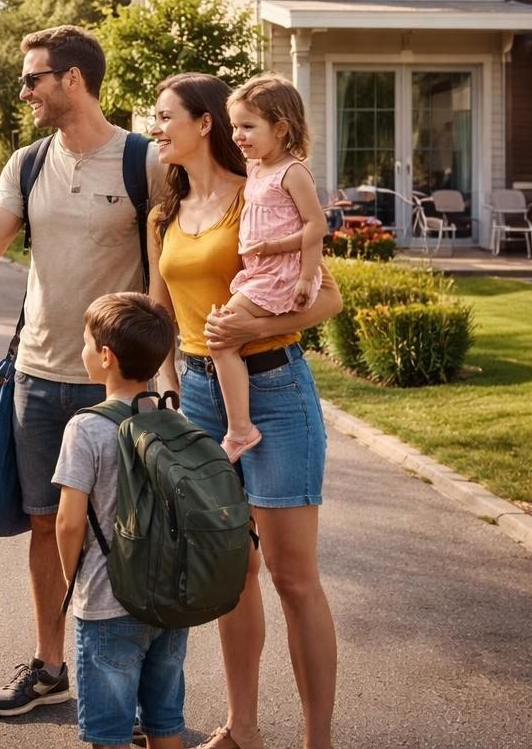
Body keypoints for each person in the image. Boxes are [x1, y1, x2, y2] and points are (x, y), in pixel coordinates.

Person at [0, 25, 167, 717]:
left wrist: (165, 379)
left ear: (73, 80)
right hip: (35, 376)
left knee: (125, 537)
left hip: (114, 387)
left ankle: (137, 691)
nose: (23, 90)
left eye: (32, 78)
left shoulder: (143, 162)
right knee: (45, 527)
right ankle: (52, 666)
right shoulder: (26, 163)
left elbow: (167, 278)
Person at [145, 72, 342, 749]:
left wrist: (246, 333)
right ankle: (243, 729)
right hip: (198, 396)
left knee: (293, 576)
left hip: (276, 391)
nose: (154, 126)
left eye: (164, 115)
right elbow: (158, 316)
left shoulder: (260, 192)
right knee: (232, 572)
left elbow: (327, 299)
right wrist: (163, 391)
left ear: (204, 123)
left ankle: (319, 741)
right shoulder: (163, 216)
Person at [54, 293, 186, 749]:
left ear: (106, 358)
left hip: (108, 603)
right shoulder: (172, 419)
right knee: (165, 722)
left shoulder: (85, 428)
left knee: (108, 733)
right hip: (169, 601)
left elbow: (69, 522)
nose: (83, 351)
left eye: (87, 344)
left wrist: (71, 576)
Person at [211, 76, 327, 463]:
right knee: (225, 337)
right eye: (234, 126)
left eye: (248, 127)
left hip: (278, 275)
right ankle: (240, 425)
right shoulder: (257, 168)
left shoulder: (293, 172)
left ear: (280, 128)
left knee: (222, 338)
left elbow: (316, 226)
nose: (238, 135)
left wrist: (306, 277)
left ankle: (241, 430)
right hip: (258, 273)